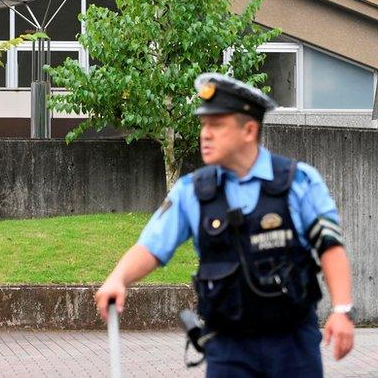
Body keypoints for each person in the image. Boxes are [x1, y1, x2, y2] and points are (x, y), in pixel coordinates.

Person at [95, 73, 355, 377]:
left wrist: (341, 311)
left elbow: (330, 248)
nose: (205, 134)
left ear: (249, 130)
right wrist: (118, 278)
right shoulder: (191, 191)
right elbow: (152, 246)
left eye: (216, 125)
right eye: (204, 125)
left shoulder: (298, 182)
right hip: (228, 347)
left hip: (292, 343)